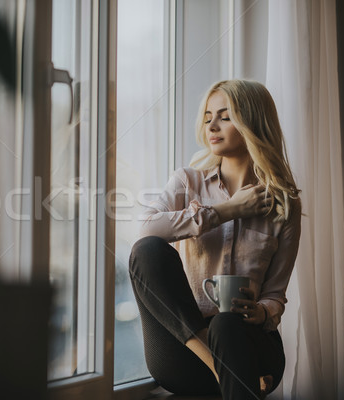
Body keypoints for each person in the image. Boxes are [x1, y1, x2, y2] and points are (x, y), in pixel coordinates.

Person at [129, 79, 301, 399]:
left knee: (226, 324)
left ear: (253, 122)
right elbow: (145, 229)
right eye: (208, 117)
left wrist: (260, 312)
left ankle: (227, 366)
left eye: (225, 115)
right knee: (147, 250)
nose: (212, 125)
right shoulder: (187, 182)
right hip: (187, 348)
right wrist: (225, 210)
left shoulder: (283, 205)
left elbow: (275, 295)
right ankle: (216, 366)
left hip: (250, 345)